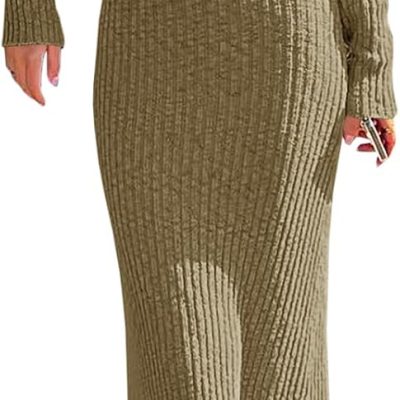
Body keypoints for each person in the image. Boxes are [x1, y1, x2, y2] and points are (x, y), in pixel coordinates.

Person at [2, 0, 397, 398]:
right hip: (147, 63)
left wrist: (373, 63)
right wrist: (28, 9)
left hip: (286, 69)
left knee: (279, 354)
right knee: (176, 363)